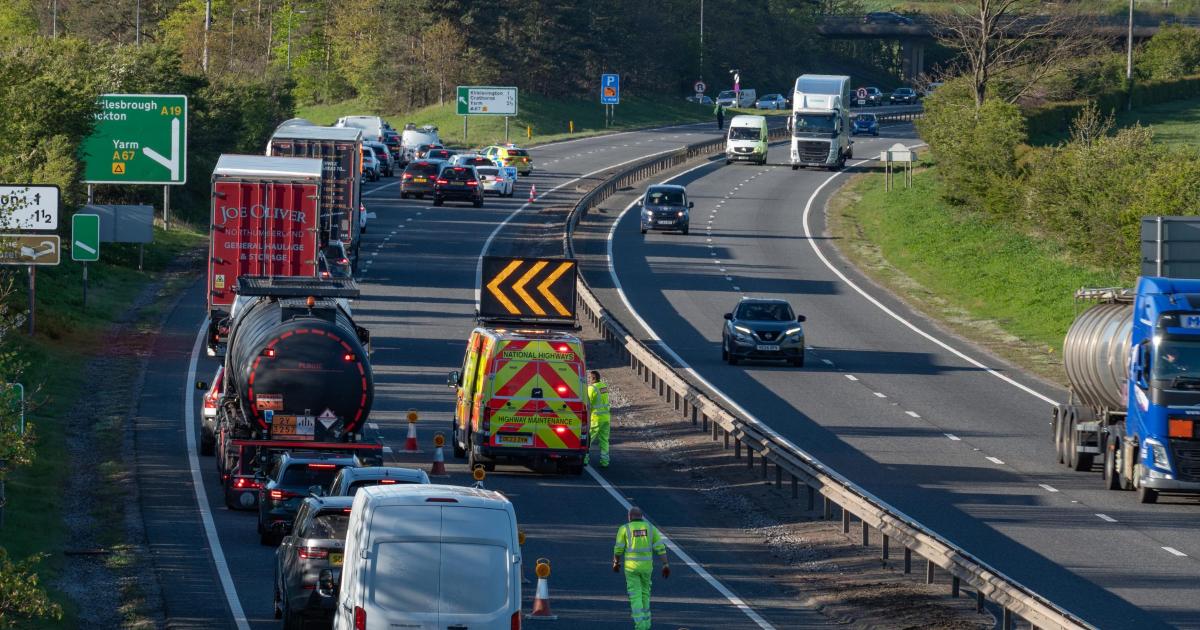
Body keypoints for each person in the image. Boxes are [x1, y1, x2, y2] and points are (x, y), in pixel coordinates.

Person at [613, 507, 669, 630]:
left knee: (635, 596)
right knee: (645, 595)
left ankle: (640, 626)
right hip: (647, 568)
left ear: (629, 517)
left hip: (631, 569)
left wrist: (616, 562)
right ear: (642, 516)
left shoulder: (624, 529)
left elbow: (618, 550)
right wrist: (665, 564)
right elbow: (660, 548)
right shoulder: (651, 528)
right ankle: (647, 625)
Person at [587, 370, 611, 467]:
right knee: (604, 440)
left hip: (596, 419)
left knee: (588, 440)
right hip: (606, 418)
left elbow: (588, 404)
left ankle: (584, 459)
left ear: (593, 378)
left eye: (589, 378)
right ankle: (605, 462)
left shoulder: (591, 388)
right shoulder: (603, 386)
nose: (588, 380)